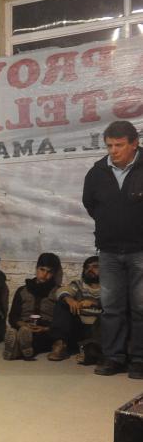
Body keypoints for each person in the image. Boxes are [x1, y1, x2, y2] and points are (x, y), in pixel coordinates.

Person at [82, 120, 143, 378]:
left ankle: (139, 360)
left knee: (142, 307)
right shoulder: (97, 172)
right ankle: (113, 357)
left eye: (119, 145)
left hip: (141, 249)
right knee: (111, 307)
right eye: (109, 145)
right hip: (108, 251)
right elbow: (90, 205)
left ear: (134, 144)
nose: (113, 150)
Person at [4, 253, 62, 361]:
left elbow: (60, 321)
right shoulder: (22, 290)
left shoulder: (58, 292)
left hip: (45, 331)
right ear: (36, 269)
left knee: (41, 339)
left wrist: (45, 328)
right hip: (24, 327)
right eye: (42, 269)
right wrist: (24, 325)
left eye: (49, 272)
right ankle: (21, 346)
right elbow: (13, 317)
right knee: (19, 332)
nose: (44, 275)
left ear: (54, 274)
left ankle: (16, 351)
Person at [48, 256, 102, 364]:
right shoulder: (78, 285)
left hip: (99, 329)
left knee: (110, 317)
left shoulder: (110, 288)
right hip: (79, 327)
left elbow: (117, 304)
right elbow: (61, 291)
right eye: (87, 267)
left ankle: (90, 351)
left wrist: (94, 303)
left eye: (95, 267)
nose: (89, 270)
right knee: (62, 303)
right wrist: (69, 299)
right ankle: (60, 345)